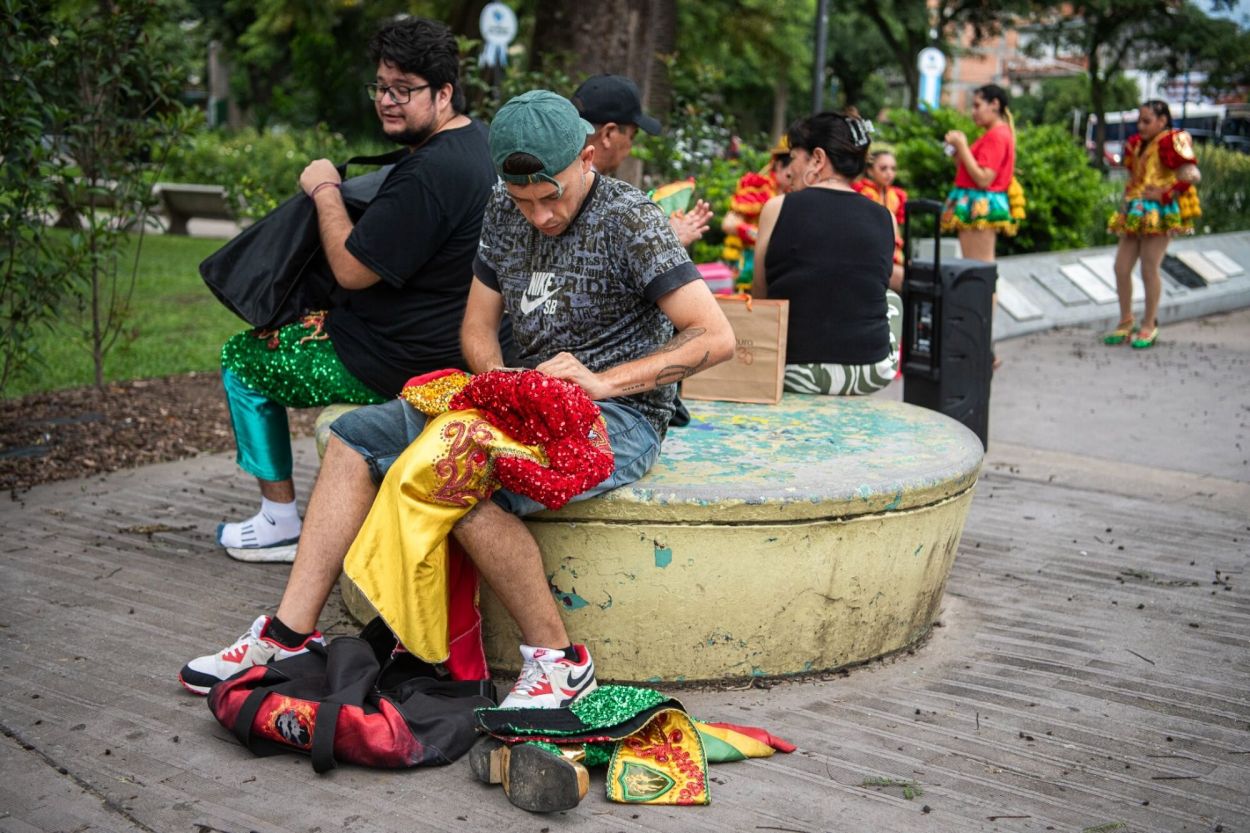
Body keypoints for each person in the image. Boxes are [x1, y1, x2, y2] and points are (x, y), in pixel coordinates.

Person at [180, 91, 736, 712]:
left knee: (462, 479)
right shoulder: (504, 207)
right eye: (525, 200)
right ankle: (287, 637)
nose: (540, 215)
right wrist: (504, 388)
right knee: (354, 438)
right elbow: (476, 328)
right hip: (518, 401)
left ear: (586, 157)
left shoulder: (631, 220)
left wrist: (604, 383)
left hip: (619, 414)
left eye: (552, 196)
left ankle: (558, 663)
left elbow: (716, 337)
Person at [215, 18, 501, 563]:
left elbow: (351, 269)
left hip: (399, 359)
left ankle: (278, 521)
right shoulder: (478, 141)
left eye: (404, 90)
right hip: (456, 341)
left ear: (444, 92)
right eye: (381, 88)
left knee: (242, 358)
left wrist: (325, 188)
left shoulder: (430, 174)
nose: (387, 102)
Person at [753, 111, 901, 397]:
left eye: (794, 157)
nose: (788, 171)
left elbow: (762, 295)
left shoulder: (778, 207)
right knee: (890, 299)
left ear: (818, 159)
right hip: (870, 369)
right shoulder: (886, 218)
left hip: (792, 370)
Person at [1104, 100, 1202, 349]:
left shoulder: (1173, 140)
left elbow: (1191, 175)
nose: (1141, 125)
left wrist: (1165, 193)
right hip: (1135, 211)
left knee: (1149, 267)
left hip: (1159, 213)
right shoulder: (1136, 144)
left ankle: (1149, 324)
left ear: (1163, 121)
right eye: (1140, 120)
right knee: (1121, 267)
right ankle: (1126, 321)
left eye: (1147, 121)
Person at [572, 74, 712, 246]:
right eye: (632, 136)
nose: (630, 148)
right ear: (608, 134)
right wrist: (665, 240)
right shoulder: (587, 194)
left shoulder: (550, 180)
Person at [940, 83, 1023, 261]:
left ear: (994, 104)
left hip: (980, 205)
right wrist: (957, 151)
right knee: (974, 269)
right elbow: (968, 172)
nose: (973, 112)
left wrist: (962, 145)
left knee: (977, 269)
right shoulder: (992, 134)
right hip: (975, 202)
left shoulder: (997, 135)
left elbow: (984, 179)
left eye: (977, 106)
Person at [720, 136, 793, 293]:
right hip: (748, 264)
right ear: (779, 166)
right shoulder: (758, 189)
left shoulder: (796, 194)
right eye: (790, 172)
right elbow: (729, 224)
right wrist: (762, 237)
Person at [852, 144, 907, 292]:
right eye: (883, 168)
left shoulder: (897, 195)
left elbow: (897, 231)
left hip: (893, 254)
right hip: (869, 255)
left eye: (893, 169)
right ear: (870, 170)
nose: (889, 173)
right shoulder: (862, 191)